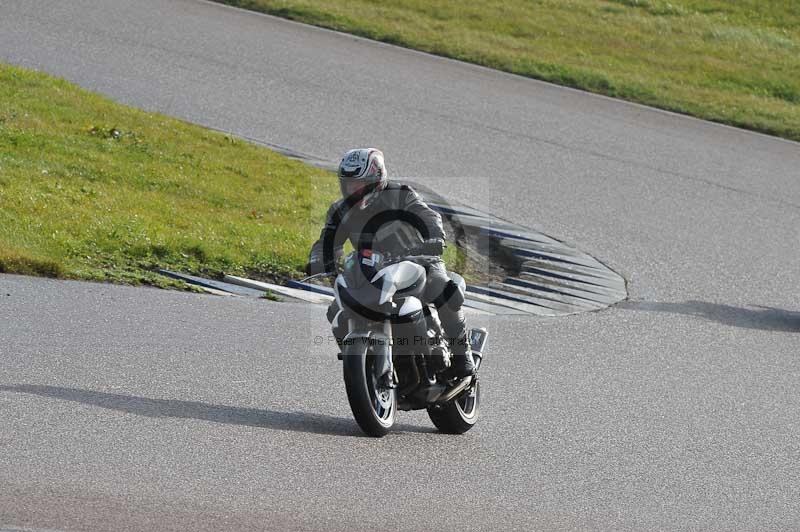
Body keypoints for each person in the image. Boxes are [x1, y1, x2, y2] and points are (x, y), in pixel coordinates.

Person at [306, 148, 476, 379]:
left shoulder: (400, 194)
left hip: (419, 260)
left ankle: (462, 354)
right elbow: (328, 241)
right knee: (336, 310)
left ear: (376, 180)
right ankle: (360, 362)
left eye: (359, 184)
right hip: (374, 270)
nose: (352, 190)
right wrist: (318, 260)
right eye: (348, 184)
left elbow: (428, 216)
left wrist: (434, 237)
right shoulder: (340, 210)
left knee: (443, 290)